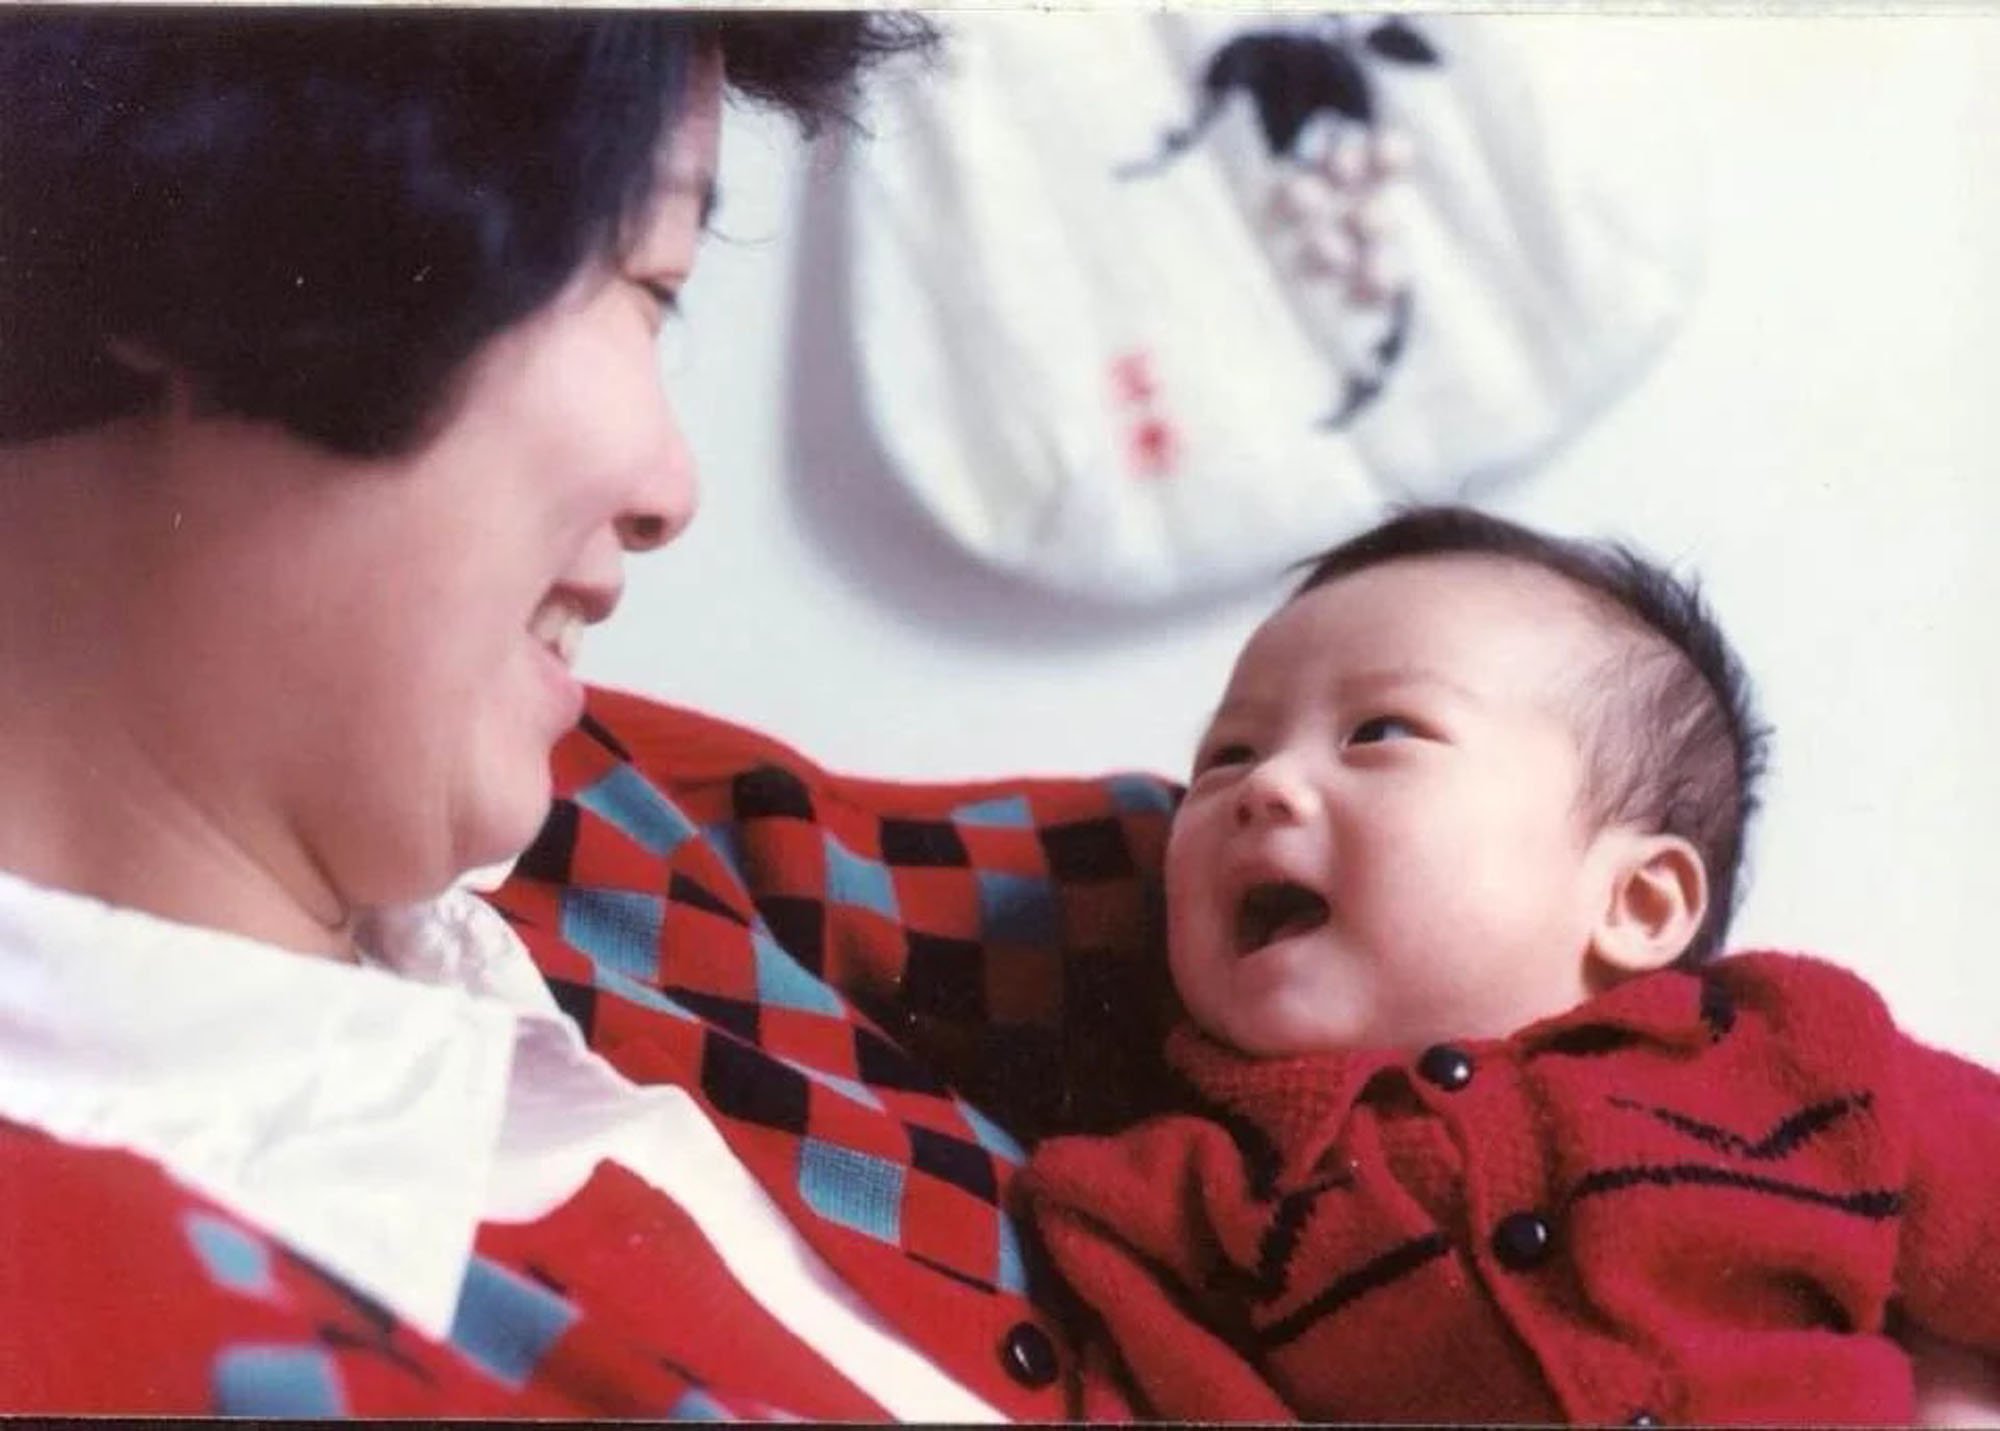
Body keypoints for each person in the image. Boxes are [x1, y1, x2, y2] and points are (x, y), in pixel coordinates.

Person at [0, 9, 1163, 1418]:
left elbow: (1351, 857)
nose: (672, 487)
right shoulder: (116, 1317)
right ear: (214, 232)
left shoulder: (587, 814)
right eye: (646, 279)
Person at [1017, 505, 2000, 1424]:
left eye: (1377, 733)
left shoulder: (1797, 1053)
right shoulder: (1178, 1200)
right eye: (1224, 755)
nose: (1262, 786)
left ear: (1636, 903)